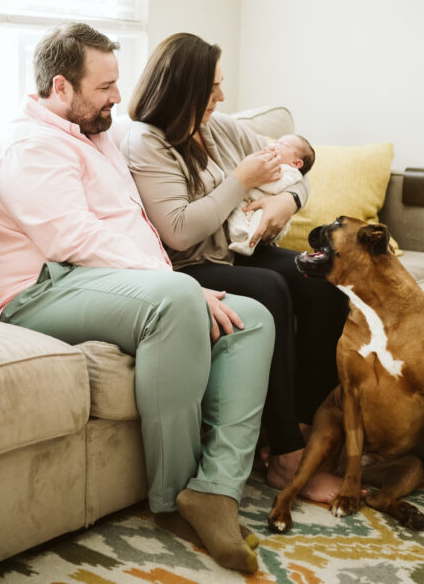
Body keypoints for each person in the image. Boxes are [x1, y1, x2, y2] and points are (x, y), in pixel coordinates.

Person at [0, 23, 274, 574]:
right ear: (61, 88)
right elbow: (73, 240)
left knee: (252, 318)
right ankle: (170, 499)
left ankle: (214, 490)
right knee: (178, 301)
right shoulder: (30, 145)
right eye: (106, 86)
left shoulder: (96, 134)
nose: (119, 96)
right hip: (39, 290)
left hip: (105, 280)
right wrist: (182, 286)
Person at [122, 33, 351, 503]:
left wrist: (285, 202)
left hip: (238, 249)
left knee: (324, 277)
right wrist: (240, 181)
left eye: (220, 86)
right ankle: (287, 457)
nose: (221, 98)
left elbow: (294, 171)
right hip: (189, 267)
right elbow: (180, 232)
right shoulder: (148, 143)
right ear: (181, 89)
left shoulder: (222, 127)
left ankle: (305, 425)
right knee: (270, 288)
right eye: (211, 89)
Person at [226, 134, 315, 256]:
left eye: (282, 144)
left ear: (296, 163)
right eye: (276, 141)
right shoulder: (266, 160)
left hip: (265, 210)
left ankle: (247, 245)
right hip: (248, 203)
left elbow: (275, 186)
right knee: (237, 211)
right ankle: (238, 233)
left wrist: (252, 175)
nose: (274, 144)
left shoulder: (291, 173)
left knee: (260, 219)